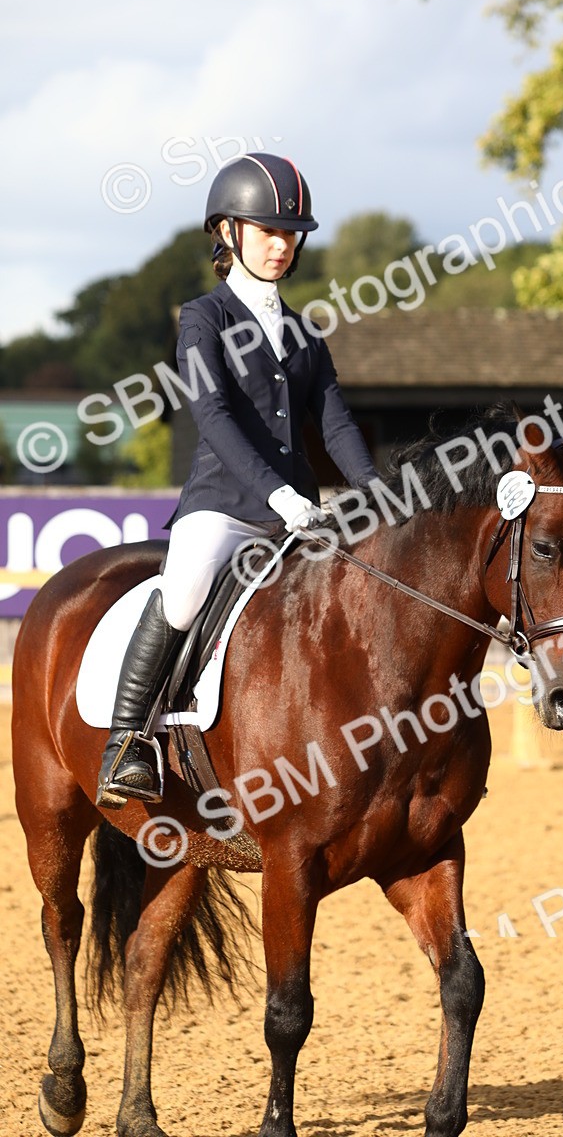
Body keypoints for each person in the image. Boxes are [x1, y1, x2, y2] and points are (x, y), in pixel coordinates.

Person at [96, 152, 378, 809]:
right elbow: (214, 416)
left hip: (299, 514)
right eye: (267, 231)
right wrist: (279, 496)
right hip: (223, 507)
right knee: (186, 589)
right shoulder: (204, 319)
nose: (281, 245)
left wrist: (374, 492)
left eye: (291, 233)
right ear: (227, 232)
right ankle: (127, 740)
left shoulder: (307, 334)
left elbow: (335, 425)